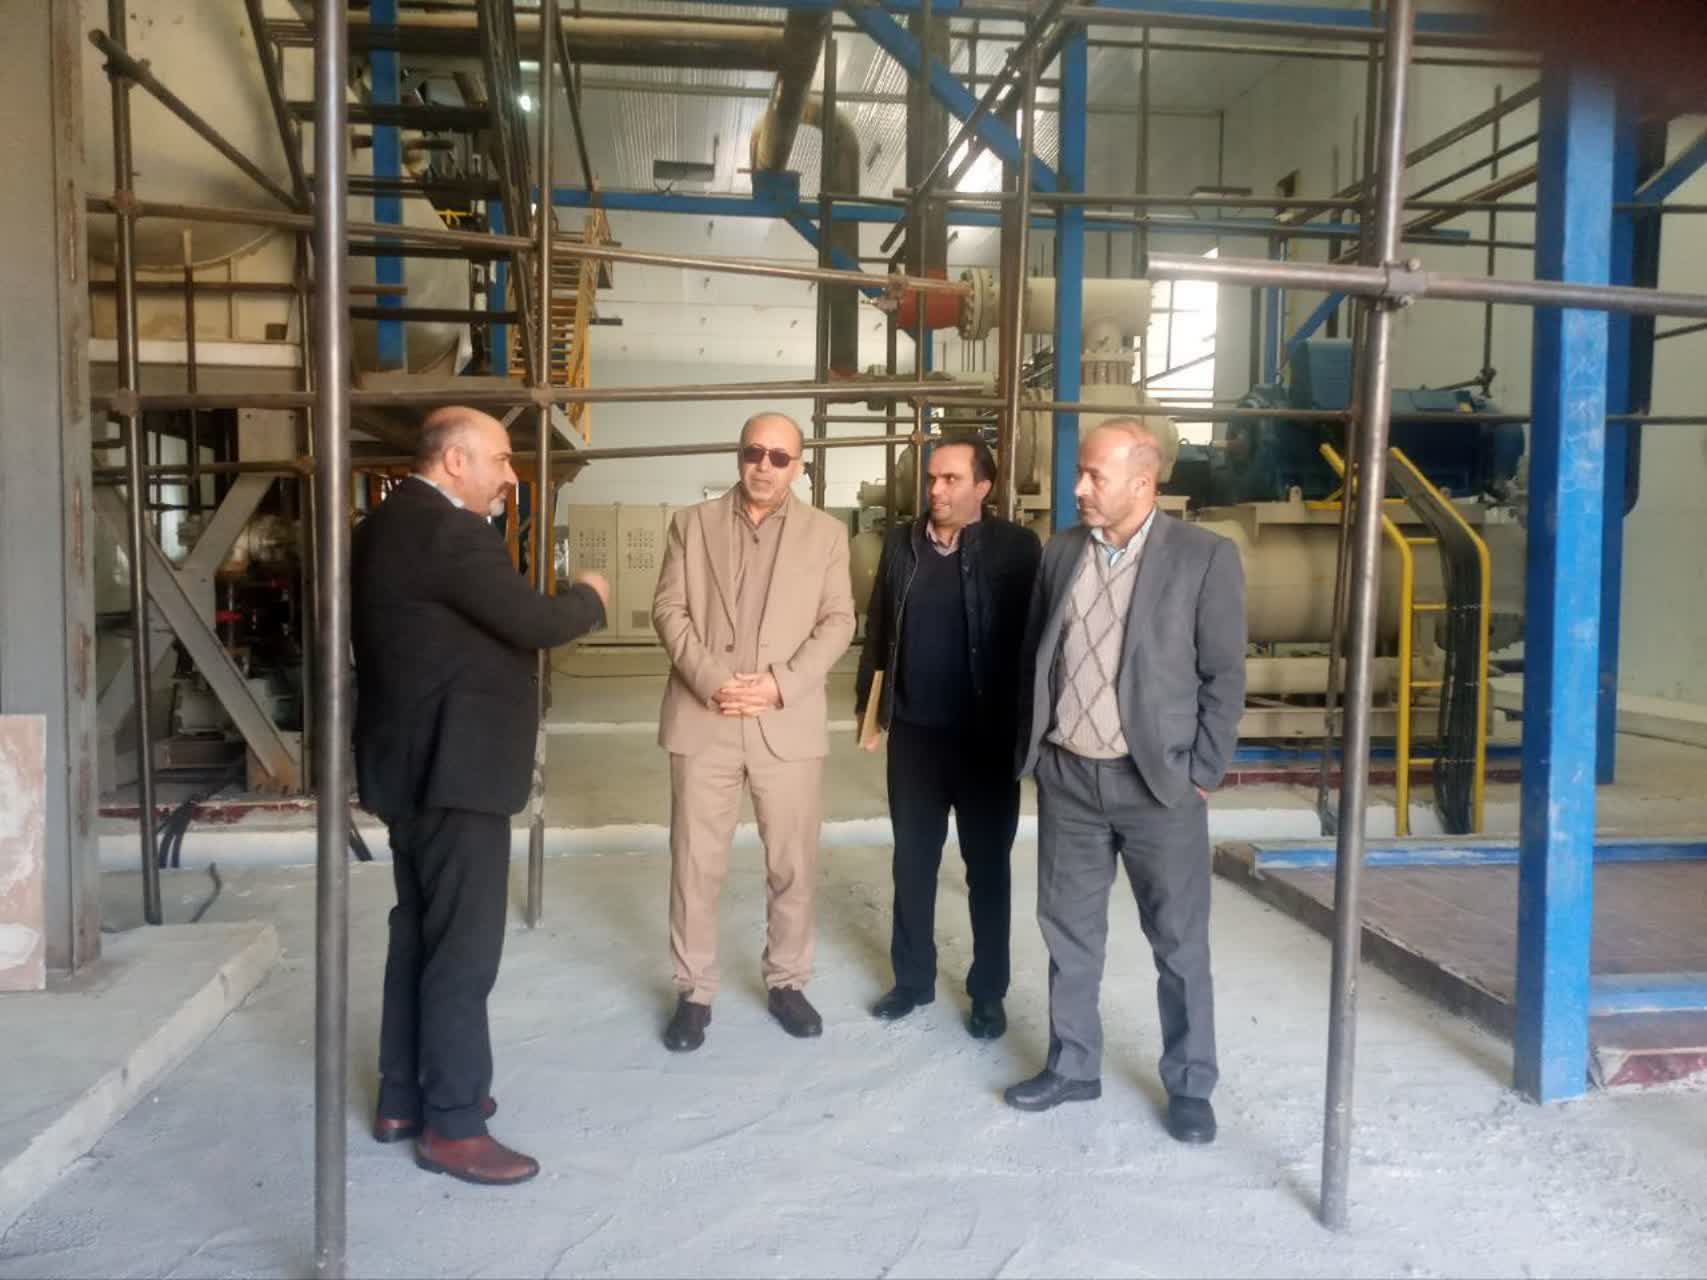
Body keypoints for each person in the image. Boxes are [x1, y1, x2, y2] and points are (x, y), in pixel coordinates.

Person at [353, 405, 610, 1186]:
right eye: (499, 459)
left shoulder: (384, 525)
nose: (509, 476)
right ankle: (454, 1124)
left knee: (418, 936)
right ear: (454, 461)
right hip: (456, 773)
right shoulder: (450, 531)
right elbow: (533, 621)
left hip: (410, 770)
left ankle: (404, 1096)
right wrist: (589, 595)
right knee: (462, 954)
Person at [1004, 418, 1246, 1146]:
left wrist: (1201, 772)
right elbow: (1036, 655)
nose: (1078, 488)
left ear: (1143, 483)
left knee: (1178, 941)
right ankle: (1073, 1065)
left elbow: (1224, 676)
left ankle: (1190, 1084)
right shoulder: (1062, 552)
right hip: (1069, 779)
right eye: (1080, 473)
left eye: (1093, 476)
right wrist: (1039, 751)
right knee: (1068, 932)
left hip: (1157, 787)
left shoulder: (1204, 558)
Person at [651, 411, 855, 1051]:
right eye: (753, 453)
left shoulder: (827, 535)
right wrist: (712, 679)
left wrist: (779, 684)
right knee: (695, 864)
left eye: (779, 457)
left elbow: (839, 621)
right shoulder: (691, 525)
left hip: (784, 720)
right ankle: (694, 991)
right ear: (739, 456)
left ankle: (788, 981)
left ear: (799, 466)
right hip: (705, 718)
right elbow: (669, 609)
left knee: (792, 864)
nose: (763, 466)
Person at [854, 433, 1040, 1038]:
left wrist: (1031, 728)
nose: (935, 489)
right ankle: (912, 981)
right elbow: (879, 629)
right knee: (913, 863)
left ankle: (988, 993)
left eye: (951, 479)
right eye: (933, 478)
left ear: (983, 487)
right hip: (915, 736)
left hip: (985, 741)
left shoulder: (1016, 549)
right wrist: (869, 710)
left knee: (987, 869)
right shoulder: (901, 543)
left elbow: (1035, 643)